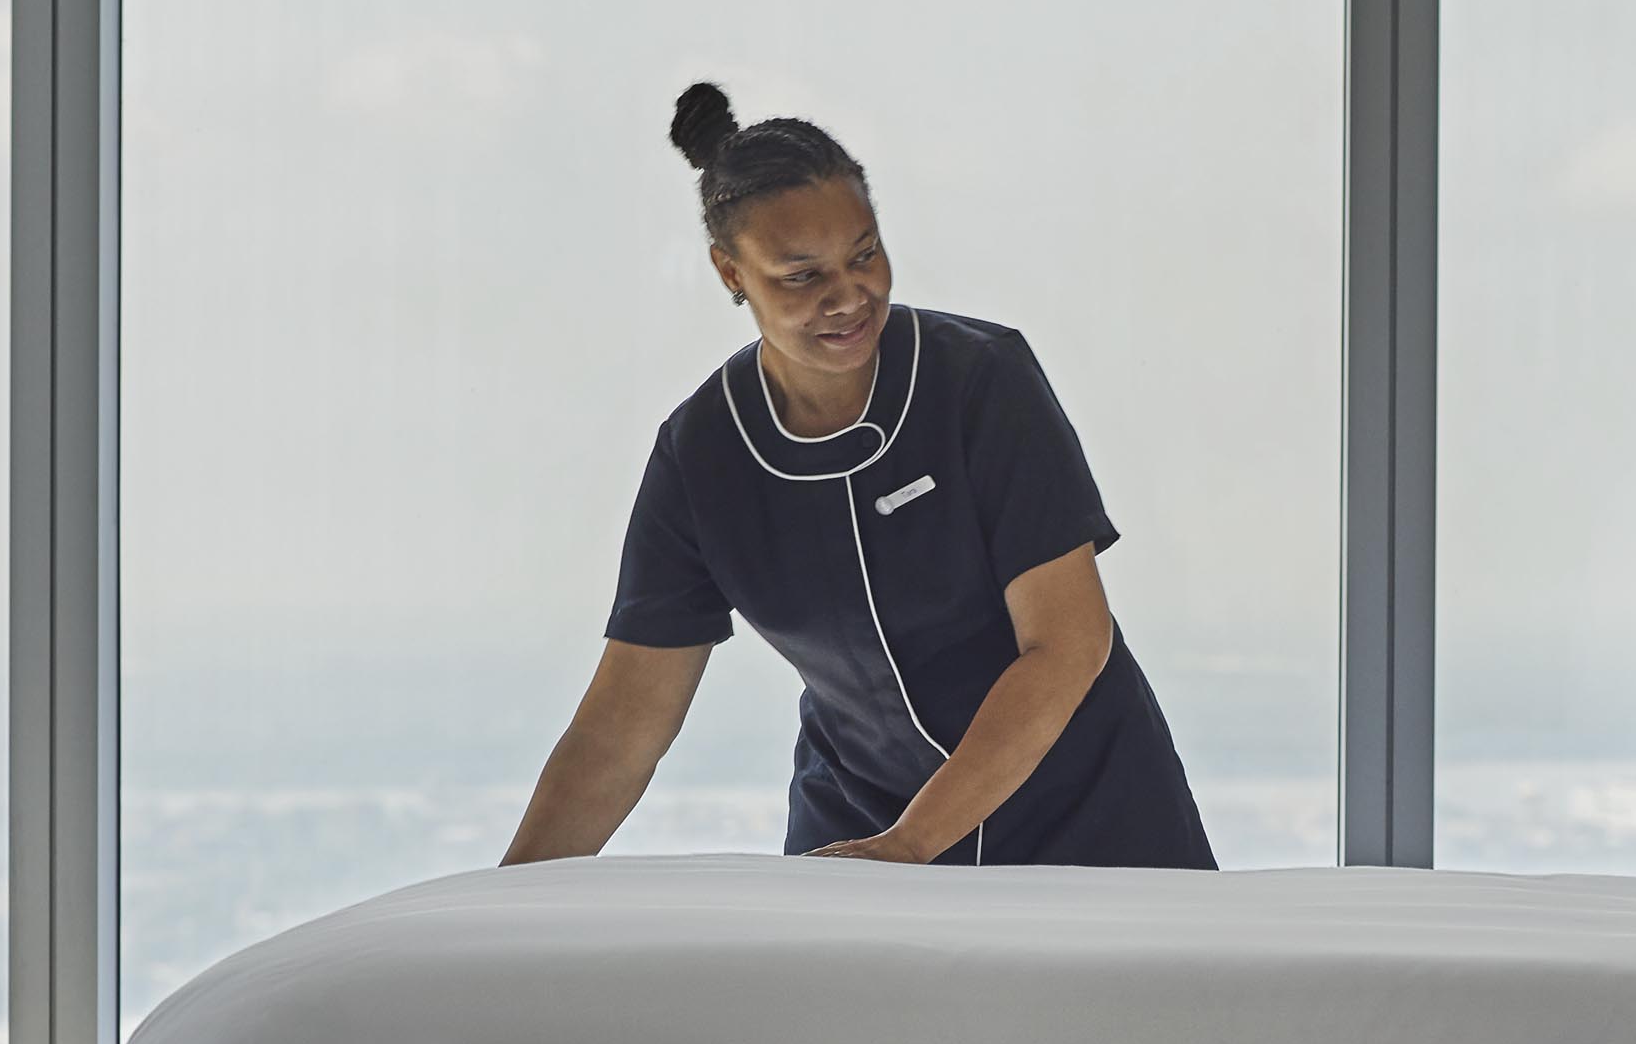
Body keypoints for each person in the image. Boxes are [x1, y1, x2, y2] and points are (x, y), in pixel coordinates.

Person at [502, 84, 1218, 869]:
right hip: (858, 830)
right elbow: (626, 720)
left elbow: (1068, 644)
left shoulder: (981, 381)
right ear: (729, 272)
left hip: (1088, 820)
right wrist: (505, 900)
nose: (851, 295)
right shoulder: (702, 454)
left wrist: (911, 844)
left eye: (865, 253)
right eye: (801, 276)